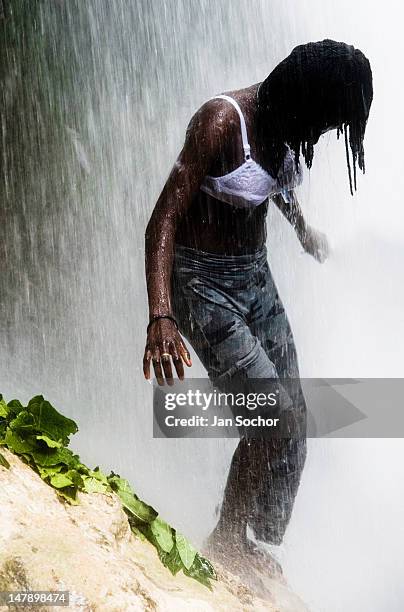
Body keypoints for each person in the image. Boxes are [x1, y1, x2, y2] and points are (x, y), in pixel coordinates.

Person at [143, 39, 373, 570]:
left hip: (255, 277)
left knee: (296, 421)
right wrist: (161, 315)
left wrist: (302, 230)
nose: (322, 135)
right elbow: (164, 221)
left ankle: (250, 537)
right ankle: (224, 540)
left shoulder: (289, 131)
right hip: (201, 285)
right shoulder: (222, 123)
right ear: (302, 99)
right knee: (271, 418)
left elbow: (276, 183)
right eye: (325, 121)